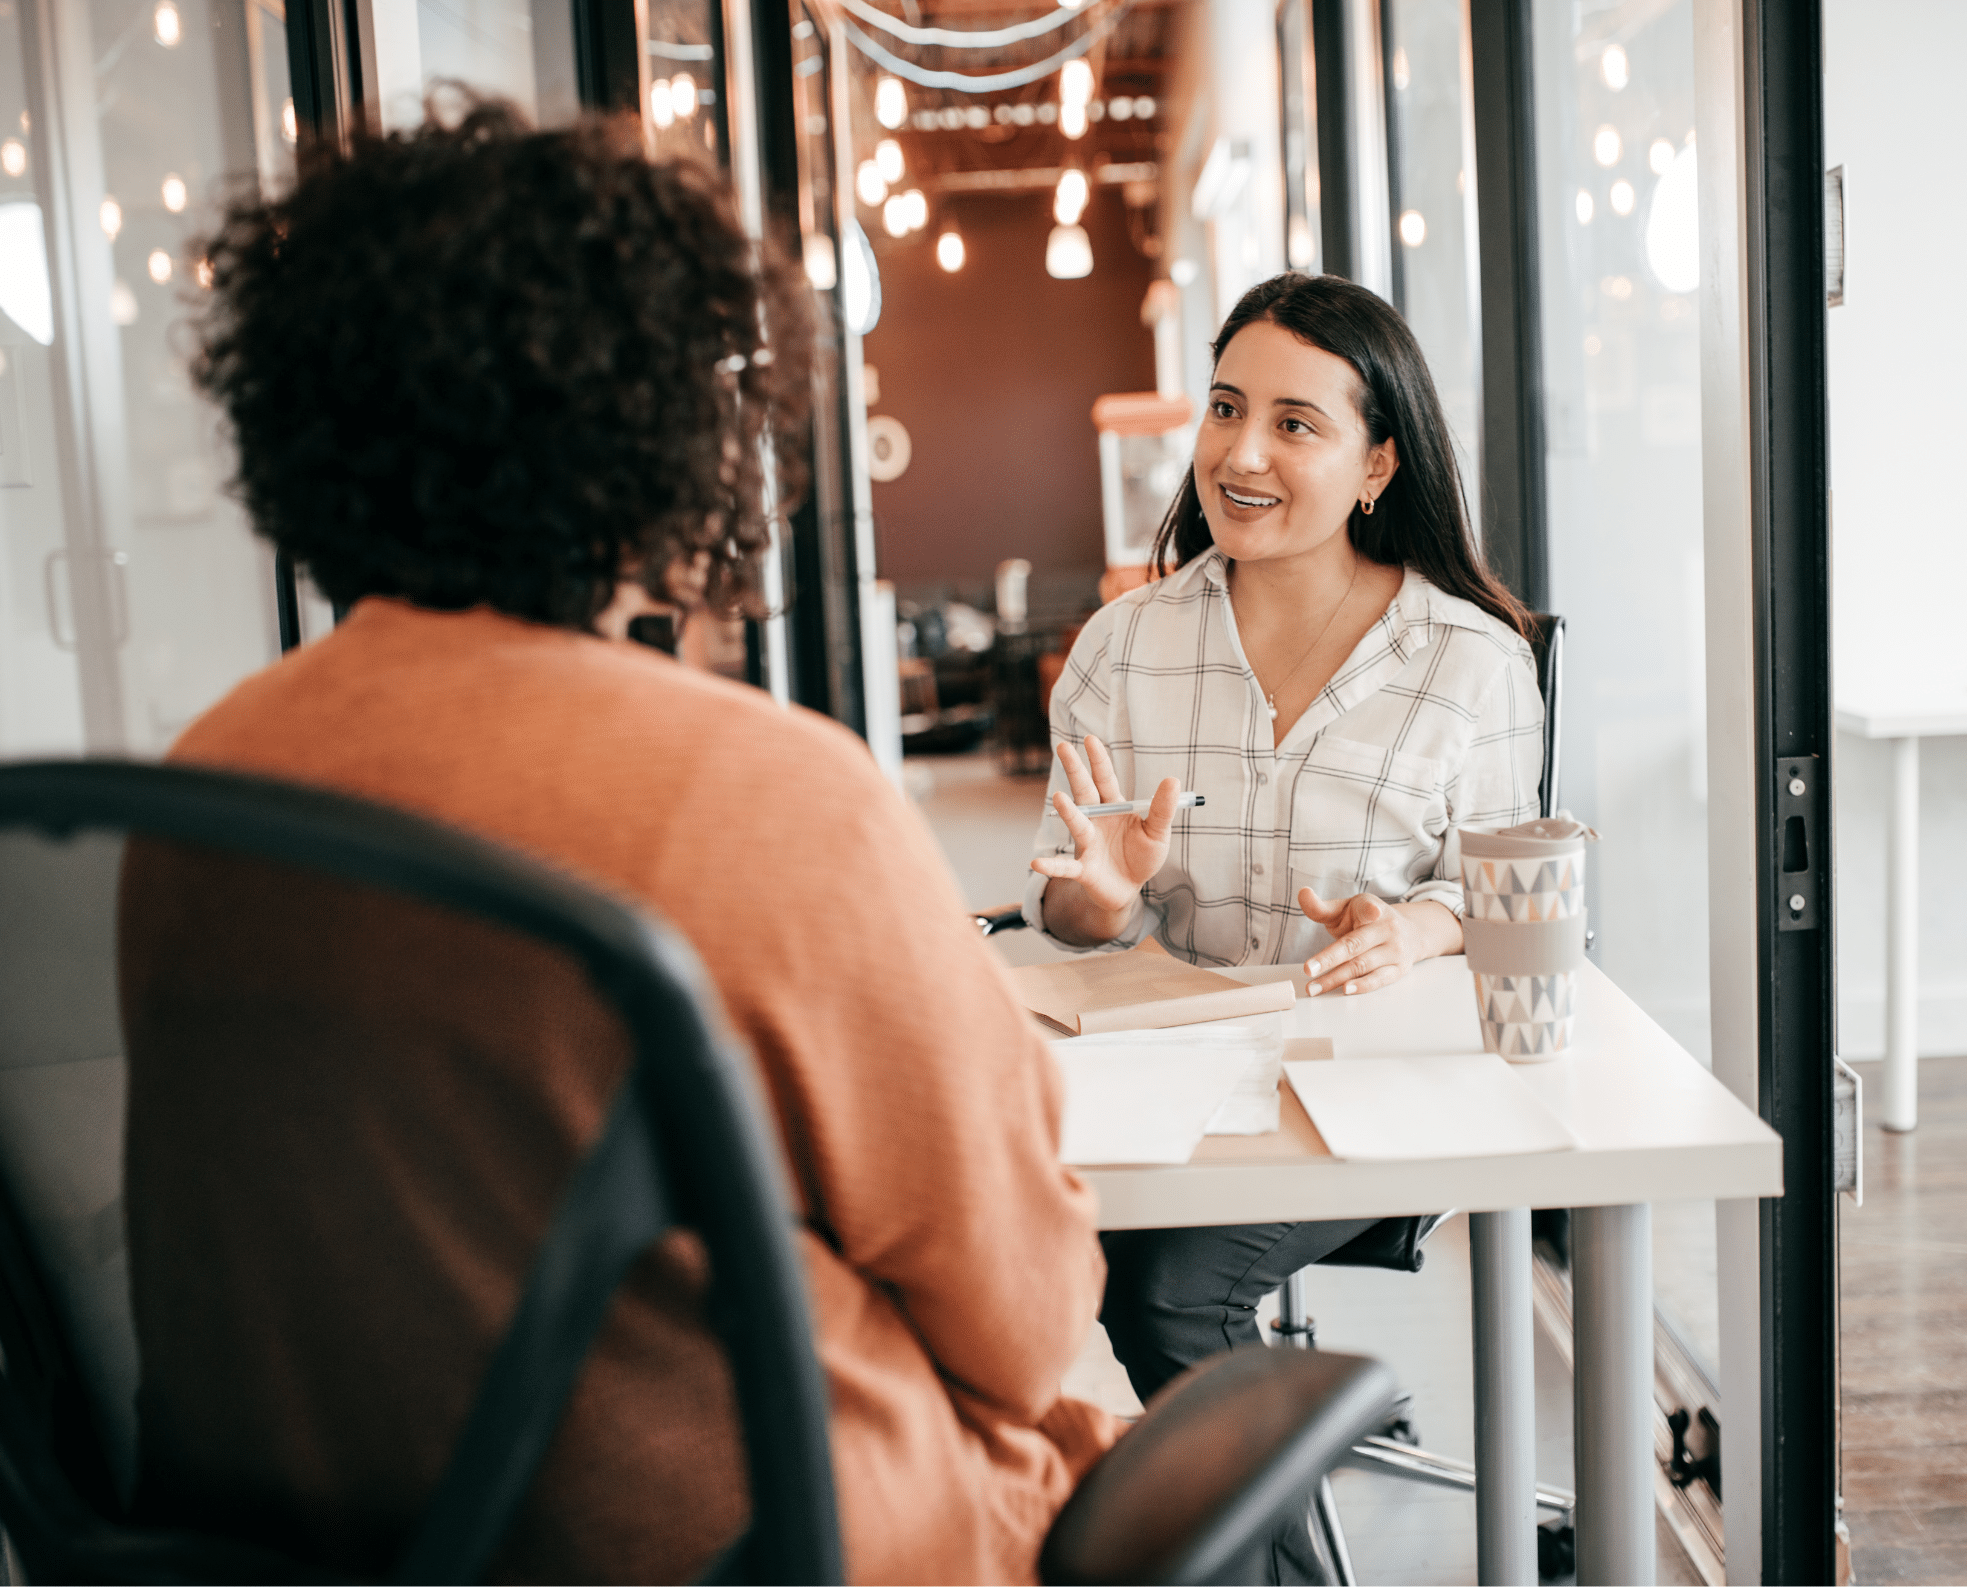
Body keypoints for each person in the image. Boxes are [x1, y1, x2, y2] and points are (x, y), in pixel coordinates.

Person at [122, 98, 1118, 1584]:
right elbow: (1026, 1312)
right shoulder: (768, 792)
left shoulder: (206, 784)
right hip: (740, 1539)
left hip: (322, 1544)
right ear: (654, 425)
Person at [1021, 271, 1544, 1581]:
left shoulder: (1471, 659)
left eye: (1294, 424)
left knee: (1163, 1293)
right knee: (1062, 1255)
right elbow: (1069, 912)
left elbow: (1512, 898)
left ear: (1379, 462)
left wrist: (1414, 928)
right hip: (1171, 1084)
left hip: (1367, 1089)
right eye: (1223, 408)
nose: (1238, 455)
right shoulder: (1124, 648)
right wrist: (1107, 889)